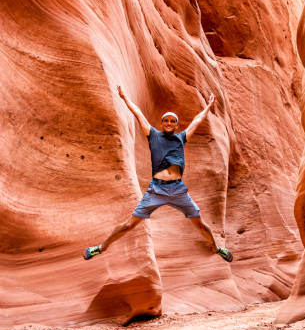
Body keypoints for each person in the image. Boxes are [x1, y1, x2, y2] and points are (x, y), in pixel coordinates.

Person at [84, 86, 233, 262]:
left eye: (172, 121)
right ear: (162, 124)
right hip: (157, 190)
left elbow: (197, 121)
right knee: (129, 225)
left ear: (177, 125)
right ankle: (100, 248)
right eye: (166, 121)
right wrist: (124, 98)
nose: (169, 123)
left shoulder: (181, 138)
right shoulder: (153, 135)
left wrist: (208, 107)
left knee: (200, 224)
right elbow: (138, 113)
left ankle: (216, 248)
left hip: (177, 189)